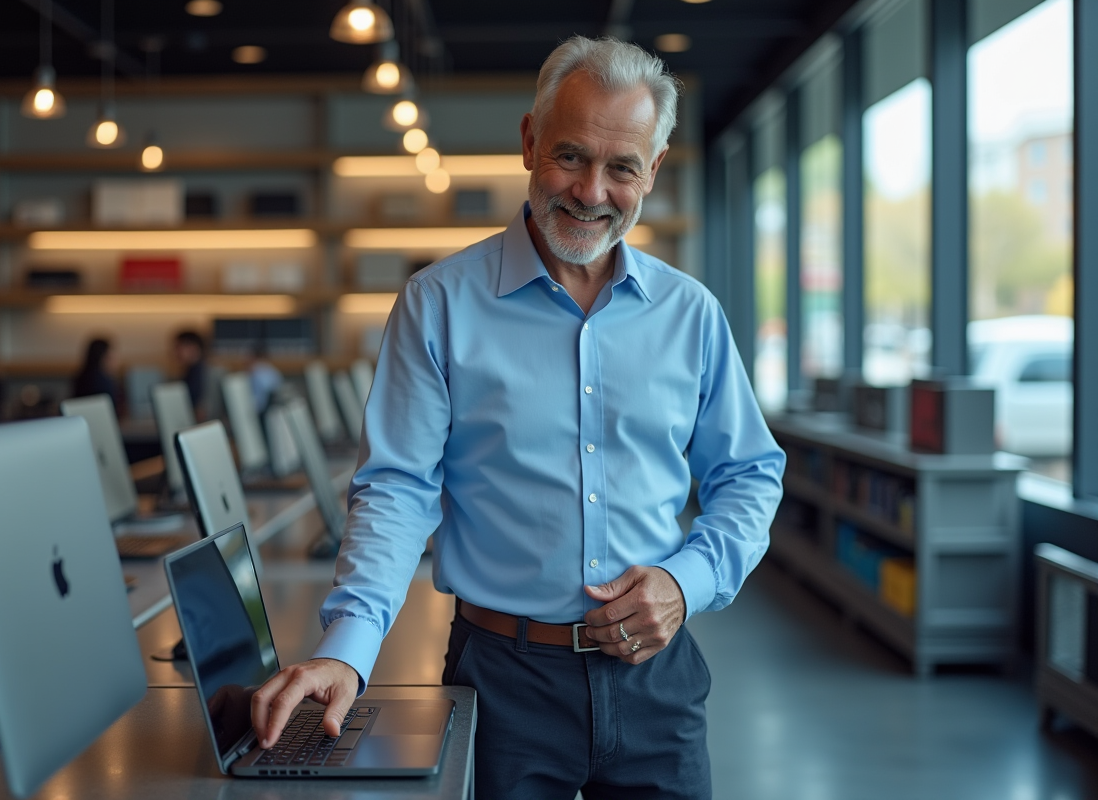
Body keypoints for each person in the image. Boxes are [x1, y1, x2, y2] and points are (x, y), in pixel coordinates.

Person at [251, 37, 785, 800]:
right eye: (570, 156)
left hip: (656, 682)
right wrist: (349, 651)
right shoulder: (438, 304)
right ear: (530, 141)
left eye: (622, 167)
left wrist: (685, 581)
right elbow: (398, 490)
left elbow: (749, 474)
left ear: (653, 172)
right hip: (502, 682)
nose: (592, 191)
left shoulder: (690, 314)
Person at [71, 337, 119, 405]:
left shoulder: (81, 377)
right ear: (103, 358)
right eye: (111, 358)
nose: (116, 362)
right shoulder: (103, 382)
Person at [173, 330, 207, 412]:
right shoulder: (192, 371)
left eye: (178, 347)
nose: (176, 353)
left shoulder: (201, 374)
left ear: (193, 347)